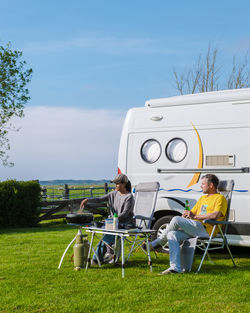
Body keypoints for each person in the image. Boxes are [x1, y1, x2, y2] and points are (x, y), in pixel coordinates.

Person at [149, 174, 227, 275]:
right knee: (171, 234)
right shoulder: (203, 198)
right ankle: (175, 268)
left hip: (206, 229)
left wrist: (194, 217)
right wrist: (186, 215)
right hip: (195, 228)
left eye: (203, 184)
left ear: (211, 185)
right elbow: (192, 213)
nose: (201, 186)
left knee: (176, 219)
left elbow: (215, 215)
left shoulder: (220, 198)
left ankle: (157, 243)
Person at [80, 173, 135, 265]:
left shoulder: (129, 197)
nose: (115, 185)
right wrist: (88, 200)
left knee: (107, 236)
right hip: (113, 224)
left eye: (117, 183)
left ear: (124, 184)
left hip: (126, 224)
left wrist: (111, 220)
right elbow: (99, 199)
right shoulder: (113, 194)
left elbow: (125, 214)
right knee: (106, 234)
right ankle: (103, 257)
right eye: (115, 183)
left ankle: (96, 259)